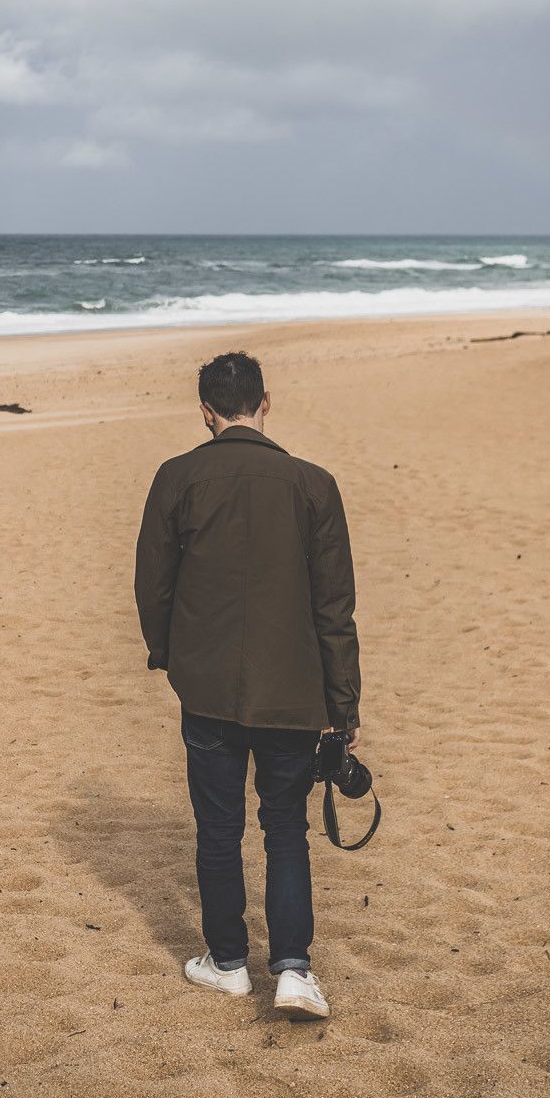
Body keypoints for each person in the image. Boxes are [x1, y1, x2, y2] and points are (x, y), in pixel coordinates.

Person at [134, 351, 361, 1020]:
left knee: (218, 829)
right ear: (266, 403)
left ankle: (229, 963)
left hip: (206, 690)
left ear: (206, 411)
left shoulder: (177, 477)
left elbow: (154, 586)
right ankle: (293, 971)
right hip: (294, 691)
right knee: (285, 829)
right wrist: (344, 706)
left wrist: (169, 658)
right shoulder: (313, 483)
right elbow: (334, 608)